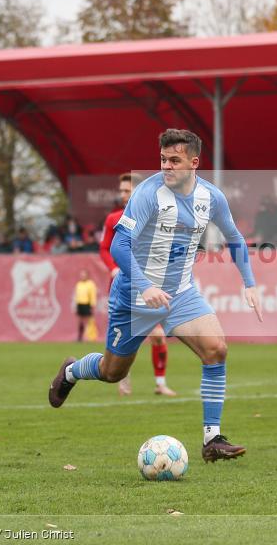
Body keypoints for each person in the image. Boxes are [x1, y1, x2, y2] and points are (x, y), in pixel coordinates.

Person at [48, 129, 262, 463]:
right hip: (135, 296)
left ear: (194, 163)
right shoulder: (148, 194)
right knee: (112, 371)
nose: (167, 166)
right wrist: (145, 285)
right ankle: (72, 371)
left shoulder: (211, 197)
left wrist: (249, 282)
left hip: (180, 294)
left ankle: (212, 439)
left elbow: (234, 238)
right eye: (163, 159)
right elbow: (119, 245)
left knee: (216, 349)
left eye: (174, 160)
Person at [99, 172, 176, 397]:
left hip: (151, 287)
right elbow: (105, 247)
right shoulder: (113, 218)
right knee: (123, 340)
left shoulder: (156, 216)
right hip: (123, 287)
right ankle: (123, 380)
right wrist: (114, 268)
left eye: (127, 191)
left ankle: (160, 383)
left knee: (158, 336)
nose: (123, 195)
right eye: (121, 191)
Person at [74, 270, 97, 342]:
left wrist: (92, 305)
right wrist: (76, 305)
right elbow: (76, 296)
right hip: (80, 304)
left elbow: (93, 295)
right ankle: (80, 337)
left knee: (88, 321)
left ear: (87, 275)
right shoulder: (78, 284)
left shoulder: (91, 284)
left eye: (84, 275)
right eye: (81, 275)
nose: (82, 276)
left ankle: (89, 337)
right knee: (80, 321)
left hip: (87, 304)